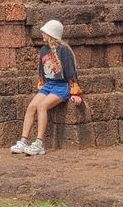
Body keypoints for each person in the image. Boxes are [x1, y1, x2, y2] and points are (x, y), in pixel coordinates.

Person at [11, 19, 83, 156]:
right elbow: (41, 70)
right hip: (48, 85)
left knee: (42, 106)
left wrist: (75, 93)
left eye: (44, 33)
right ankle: (23, 140)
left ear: (51, 34)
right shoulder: (44, 49)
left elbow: (71, 71)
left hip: (61, 87)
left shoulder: (64, 50)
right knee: (31, 106)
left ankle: (38, 143)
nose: (42, 35)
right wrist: (41, 86)